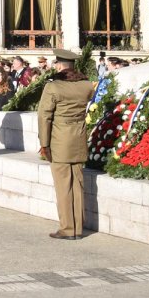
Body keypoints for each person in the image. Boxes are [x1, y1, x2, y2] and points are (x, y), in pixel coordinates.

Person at [37, 48, 96, 240]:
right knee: (78, 183)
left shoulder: (53, 87)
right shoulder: (86, 85)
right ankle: (78, 226)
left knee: (63, 185)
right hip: (78, 137)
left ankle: (67, 228)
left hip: (60, 139)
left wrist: (44, 143)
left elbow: (44, 116)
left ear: (60, 66)